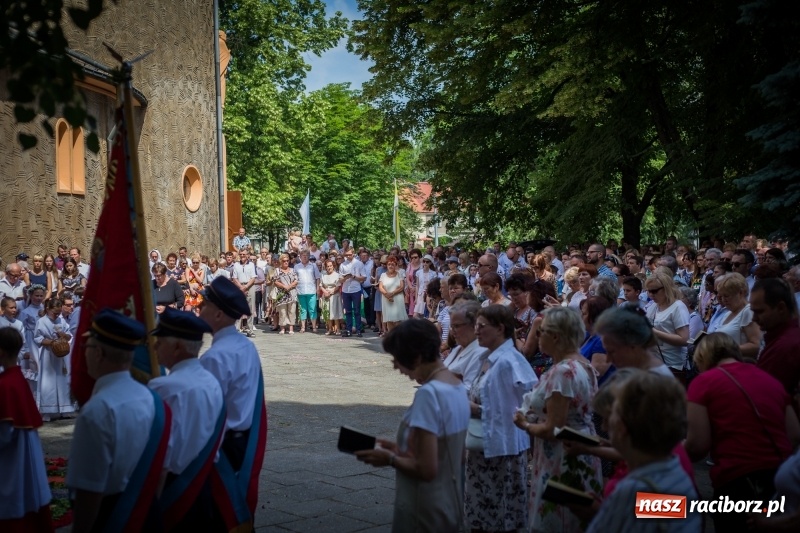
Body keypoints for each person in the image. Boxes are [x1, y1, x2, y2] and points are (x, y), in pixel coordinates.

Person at [355, 320, 469, 532]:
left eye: (397, 359)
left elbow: (427, 469)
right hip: (449, 499)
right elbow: (455, 453)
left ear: (416, 357)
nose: (395, 367)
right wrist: (402, 450)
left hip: (423, 504)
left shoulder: (429, 394)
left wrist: (390, 458)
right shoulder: (456, 386)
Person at [66, 309, 170, 532]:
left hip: (111, 516)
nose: (83, 354)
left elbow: (89, 491)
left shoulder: (97, 410)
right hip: (147, 512)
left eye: (87, 347)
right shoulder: (152, 398)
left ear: (98, 353)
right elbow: (162, 470)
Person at [685, 333, 800, 531]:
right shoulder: (769, 379)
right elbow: (794, 434)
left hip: (737, 481)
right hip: (780, 479)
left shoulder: (704, 383)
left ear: (702, 358)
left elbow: (697, 446)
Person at [515, 306, 602, 532]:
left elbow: (554, 427)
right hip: (579, 448)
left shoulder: (563, 371)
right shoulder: (583, 364)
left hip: (563, 456)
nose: (535, 337)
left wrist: (525, 424)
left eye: (540, 331)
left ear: (555, 336)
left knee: (559, 520)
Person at [587, 371, 701, 533]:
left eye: (609, 418)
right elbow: (657, 517)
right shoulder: (674, 469)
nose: (604, 427)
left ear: (625, 426)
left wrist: (600, 512)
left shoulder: (632, 490)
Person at [198, 277, 267, 531]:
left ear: (217, 314)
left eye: (203, 304)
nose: (199, 308)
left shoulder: (214, 358)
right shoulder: (245, 346)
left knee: (221, 514)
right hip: (243, 441)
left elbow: (206, 416)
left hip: (222, 447)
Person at [148, 308, 225, 530]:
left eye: (160, 342)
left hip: (174, 487)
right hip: (204, 481)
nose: (154, 347)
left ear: (177, 347)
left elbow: (161, 452)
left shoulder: (164, 388)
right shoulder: (211, 381)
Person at [465, 305, 538, 532]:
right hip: (486, 444)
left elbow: (527, 404)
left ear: (500, 329)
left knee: (498, 511)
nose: (476, 331)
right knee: (483, 510)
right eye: (475, 325)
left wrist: (476, 410)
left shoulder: (509, 360)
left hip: (502, 447)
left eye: (481, 326)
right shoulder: (491, 357)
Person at [0, 327, 54, 532]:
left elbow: (5, 433)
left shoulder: (5, 384)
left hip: (11, 458)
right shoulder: (17, 379)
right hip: (23, 450)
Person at [751, 278, 800, 402]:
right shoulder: (779, 340)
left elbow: (765, 396)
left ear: (781, 308)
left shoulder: (786, 347)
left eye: (760, 312)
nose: (754, 318)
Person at [594, 305, 674, 377]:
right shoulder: (634, 372)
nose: (608, 360)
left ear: (633, 345)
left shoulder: (651, 382)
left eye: (612, 352)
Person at [645, 269, 690, 382]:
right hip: (655, 363)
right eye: (649, 291)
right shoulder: (654, 306)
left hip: (673, 365)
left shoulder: (678, 307)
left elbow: (684, 339)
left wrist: (654, 332)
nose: (651, 295)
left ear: (666, 289)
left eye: (654, 291)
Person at [34, 298, 75, 421]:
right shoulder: (41, 322)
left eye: (59, 312)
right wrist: (52, 342)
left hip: (61, 356)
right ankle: (48, 410)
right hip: (48, 355)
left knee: (62, 380)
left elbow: (69, 336)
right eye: (55, 312)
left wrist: (63, 335)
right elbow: (38, 338)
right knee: (48, 382)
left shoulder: (61, 321)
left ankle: (65, 409)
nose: (57, 315)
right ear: (48, 309)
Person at [708, 273, 762, 357]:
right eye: (721, 296)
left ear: (741, 293)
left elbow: (756, 345)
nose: (723, 300)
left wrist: (726, 350)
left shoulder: (748, 311)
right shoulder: (728, 313)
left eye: (726, 296)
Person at [442, 301, 487, 391]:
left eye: (457, 326)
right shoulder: (458, 348)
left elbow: (470, 390)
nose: (452, 331)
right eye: (451, 326)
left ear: (473, 325)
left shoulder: (481, 352)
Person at [339, 249, 366, 337]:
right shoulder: (343, 264)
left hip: (356, 289)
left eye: (350, 255)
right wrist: (346, 277)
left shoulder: (359, 263)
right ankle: (349, 329)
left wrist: (354, 276)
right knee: (348, 311)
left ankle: (358, 329)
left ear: (353, 254)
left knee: (357, 310)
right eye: (346, 255)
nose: (348, 256)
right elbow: (340, 279)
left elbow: (364, 278)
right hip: (346, 290)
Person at [294, 250, 321, 333]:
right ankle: (303, 327)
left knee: (312, 309)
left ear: (309, 256)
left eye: (306, 255)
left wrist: (317, 288)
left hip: (311, 290)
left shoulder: (313, 266)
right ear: (300, 257)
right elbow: (295, 279)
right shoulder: (297, 266)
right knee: (302, 309)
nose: (305, 257)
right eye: (303, 255)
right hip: (301, 290)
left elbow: (317, 278)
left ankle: (314, 327)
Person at [379, 255, 406, 332]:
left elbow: (401, 287)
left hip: (397, 299)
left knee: (398, 321)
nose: (390, 266)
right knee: (389, 320)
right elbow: (381, 287)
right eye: (389, 264)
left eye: (392, 264)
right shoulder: (383, 275)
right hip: (386, 299)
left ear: (396, 265)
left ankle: (399, 338)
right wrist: (387, 295)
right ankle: (391, 338)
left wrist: (392, 293)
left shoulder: (399, 274)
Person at [273, 254, 299, 335]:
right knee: (282, 311)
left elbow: (296, 281)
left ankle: (291, 328)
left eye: (287, 261)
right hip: (282, 294)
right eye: (284, 261)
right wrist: (284, 286)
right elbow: (275, 281)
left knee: (292, 311)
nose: (286, 262)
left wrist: (289, 286)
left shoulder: (292, 270)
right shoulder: (277, 270)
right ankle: (282, 328)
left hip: (292, 293)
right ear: (281, 261)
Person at [320, 259, 343, 336]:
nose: (329, 267)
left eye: (330, 266)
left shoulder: (337, 275)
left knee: (335, 312)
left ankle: (338, 329)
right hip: (326, 295)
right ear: (325, 267)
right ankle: (329, 329)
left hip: (334, 295)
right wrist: (325, 292)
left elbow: (338, 286)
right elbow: (321, 285)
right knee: (328, 313)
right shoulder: (323, 275)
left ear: (333, 266)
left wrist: (331, 292)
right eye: (327, 266)